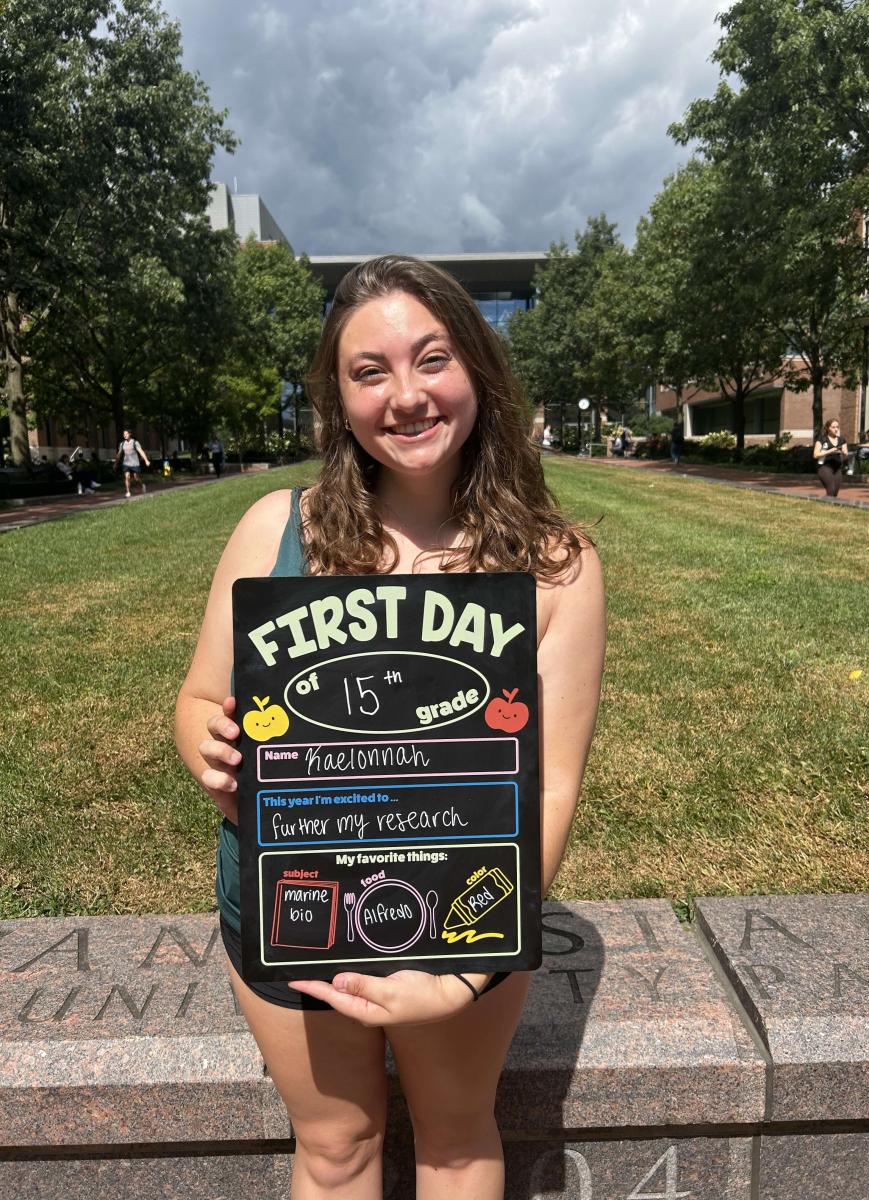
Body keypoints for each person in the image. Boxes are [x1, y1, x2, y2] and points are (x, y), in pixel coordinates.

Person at [174, 255, 605, 1200]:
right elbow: (200, 698)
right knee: (335, 1149)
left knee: (454, 1138)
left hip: (462, 908)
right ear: (338, 398)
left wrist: (463, 970)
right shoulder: (274, 529)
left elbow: (551, 787)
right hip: (290, 896)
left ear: (477, 370)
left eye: (432, 359)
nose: (406, 396)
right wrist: (206, 745)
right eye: (370, 371)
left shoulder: (555, 565)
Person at [813, 418, 848, 497]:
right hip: (825, 467)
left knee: (835, 492)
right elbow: (815, 455)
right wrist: (829, 451)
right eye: (833, 427)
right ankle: (825, 503)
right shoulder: (822, 439)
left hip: (837, 468)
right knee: (831, 489)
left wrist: (844, 453)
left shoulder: (842, 439)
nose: (836, 429)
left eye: (837, 427)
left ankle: (828, 503)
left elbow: (845, 457)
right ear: (828, 428)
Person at [116, 428, 150, 497]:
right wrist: (116, 463)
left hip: (135, 463)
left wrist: (146, 460)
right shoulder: (122, 444)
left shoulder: (135, 442)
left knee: (136, 477)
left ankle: (142, 485)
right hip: (126, 463)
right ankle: (128, 492)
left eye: (126, 434)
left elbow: (141, 451)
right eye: (124, 434)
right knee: (127, 477)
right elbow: (119, 454)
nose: (125, 435)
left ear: (130, 434)